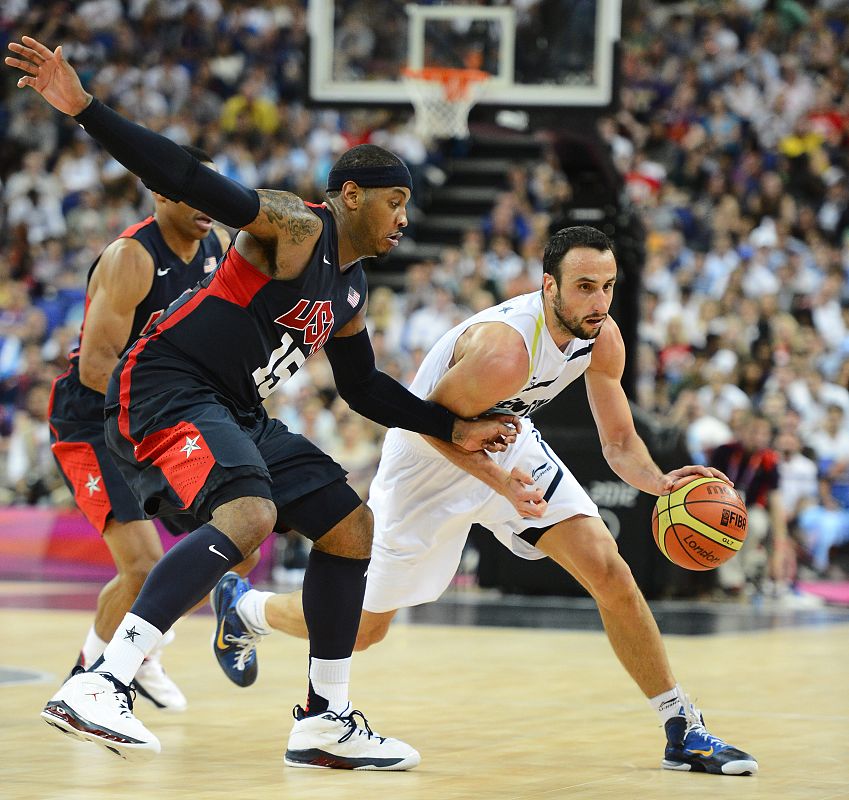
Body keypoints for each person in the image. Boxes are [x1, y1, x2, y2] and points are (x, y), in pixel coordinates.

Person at [7, 36, 519, 769]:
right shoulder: (295, 226)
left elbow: (363, 387)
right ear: (350, 196)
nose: (404, 217)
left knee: (349, 527)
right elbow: (188, 176)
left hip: (234, 407)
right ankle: (103, 682)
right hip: (168, 382)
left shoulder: (350, 289)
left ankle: (323, 720)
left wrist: (455, 426)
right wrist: (85, 109)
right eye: (394, 201)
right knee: (248, 517)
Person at [213, 226, 759, 776]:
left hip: (510, 445)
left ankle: (680, 726)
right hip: (426, 466)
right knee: (364, 629)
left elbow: (619, 444)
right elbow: (430, 426)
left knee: (609, 570)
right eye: (585, 287)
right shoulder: (505, 350)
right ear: (550, 286)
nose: (599, 302)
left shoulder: (603, 337)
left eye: (608, 287)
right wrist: (499, 485)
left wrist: (661, 482)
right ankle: (246, 608)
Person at [46, 144, 262, 712]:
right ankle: (91, 673)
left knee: (239, 534)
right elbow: (95, 369)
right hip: (93, 421)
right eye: (196, 189)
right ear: (161, 191)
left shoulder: (213, 246)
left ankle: (139, 651)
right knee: (141, 565)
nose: (210, 203)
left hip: (151, 412)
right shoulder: (131, 258)